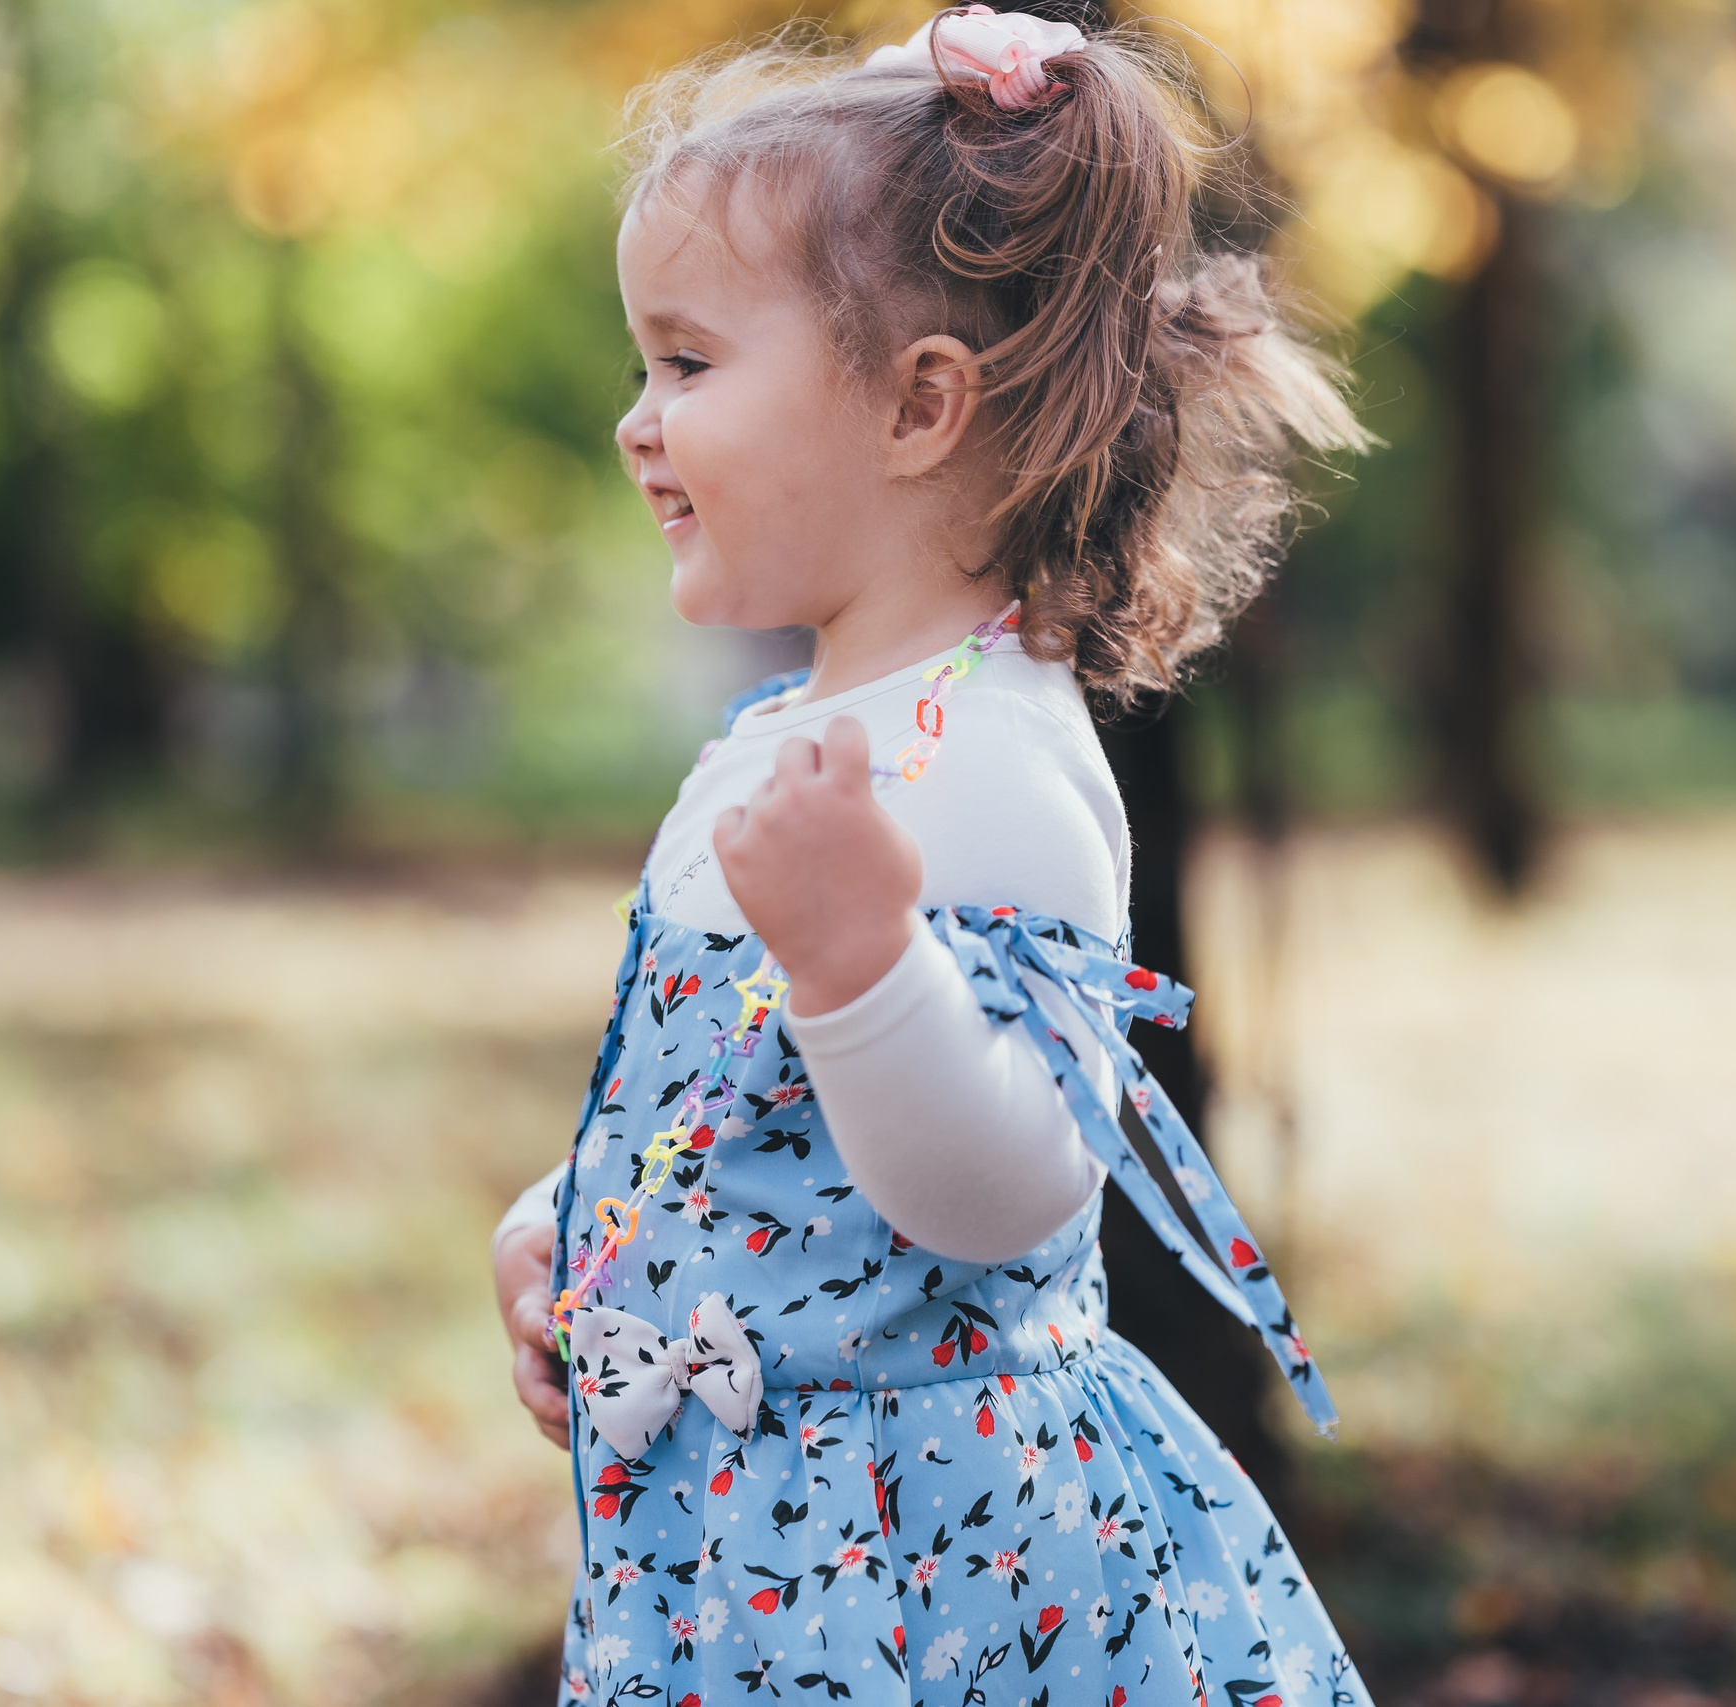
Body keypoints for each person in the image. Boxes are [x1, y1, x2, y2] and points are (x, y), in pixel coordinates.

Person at [488, 9, 1371, 1701]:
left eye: (687, 364)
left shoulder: (993, 764)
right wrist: (573, 1225)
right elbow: (725, 1102)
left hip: (936, 1567)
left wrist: (862, 964)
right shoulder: (776, 739)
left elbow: (1015, 1187)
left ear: (918, 404)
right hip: (741, 1548)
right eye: (638, 367)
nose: (636, 422)